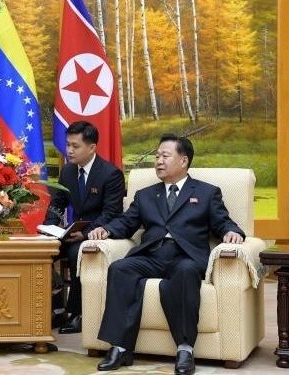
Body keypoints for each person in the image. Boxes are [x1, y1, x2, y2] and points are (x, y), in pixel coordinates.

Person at [87, 134, 245, 375]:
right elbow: (127, 223)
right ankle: (119, 347)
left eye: (165, 156)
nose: (158, 160)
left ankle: (184, 349)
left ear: (183, 161)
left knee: (185, 272)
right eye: (157, 156)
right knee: (120, 268)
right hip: (152, 256)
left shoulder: (206, 193)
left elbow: (222, 222)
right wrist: (106, 229)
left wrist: (232, 232)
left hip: (185, 257)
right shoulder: (146, 195)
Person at [43, 121, 125, 334]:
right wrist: (50, 229)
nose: (69, 150)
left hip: (97, 233)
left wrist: (85, 233)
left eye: (75, 146)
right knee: (41, 252)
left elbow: (111, 213)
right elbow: (56, 204)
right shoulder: (68, 171)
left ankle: (77, 313)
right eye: (68, 144)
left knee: (75, 252)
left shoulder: (111, 174)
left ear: (91, 147)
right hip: (71, 232)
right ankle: (51, 309)